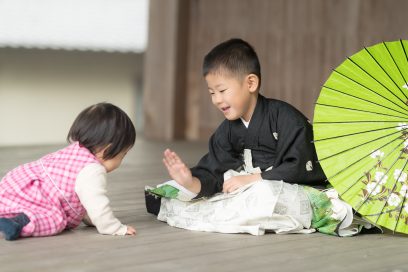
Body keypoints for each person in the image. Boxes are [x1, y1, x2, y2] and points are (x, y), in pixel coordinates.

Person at [150, 38, 371, 236]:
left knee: (264, 193)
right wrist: (192, 181)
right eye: (211, 93)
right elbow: (215, 171)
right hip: (247, 188)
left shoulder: (286, 118)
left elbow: (299, 167)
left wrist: (252, 179)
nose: (216, 100)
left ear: (251, 83)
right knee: (175, 192)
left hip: (285, 187)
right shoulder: (227, 130)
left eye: (222, 90)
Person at [0, 103, 137, 240]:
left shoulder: (74, 151)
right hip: (35, 195)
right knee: (55, 219)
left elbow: (79, 201)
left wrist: (92, 220)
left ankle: (8, 218)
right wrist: (114, 227)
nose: (122, 160)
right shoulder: (92, 170)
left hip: (16, 185)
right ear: (106, 151)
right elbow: (96, 203)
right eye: (123, 154)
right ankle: (17, 223)